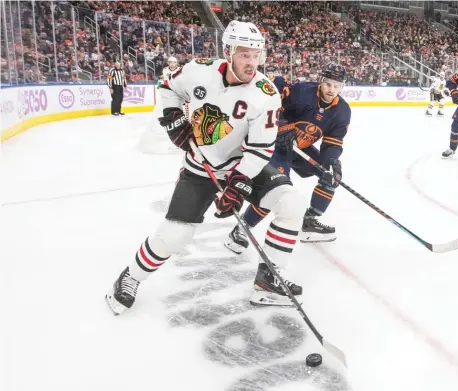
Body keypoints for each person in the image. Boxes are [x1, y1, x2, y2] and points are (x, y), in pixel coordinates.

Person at [105, 20, 307, 314]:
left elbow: (261, 149)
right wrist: (174, 121)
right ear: (227, 52)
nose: (251, 62)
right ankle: (130, 277)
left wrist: (238, 184)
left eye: (255, 55)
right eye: (243, 54)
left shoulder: (266, 94)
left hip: (240, 164)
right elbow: (167, 87)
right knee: (174, 236)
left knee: (292, 204)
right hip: (200, 167)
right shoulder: (198, 70)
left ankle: (268, 281)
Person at [225, 62, 351, 253]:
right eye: (328, 84)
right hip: (275, 144)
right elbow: (274, 106)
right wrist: (283, 126)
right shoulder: (302, 91)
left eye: (336, 86)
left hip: (300, 148)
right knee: (277, 189)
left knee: (330, 176)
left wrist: (333, 162)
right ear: (320, 81)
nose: (331, 90)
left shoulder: (342, 111)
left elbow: (332, 142)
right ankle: (241, 229)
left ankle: (309, 222)